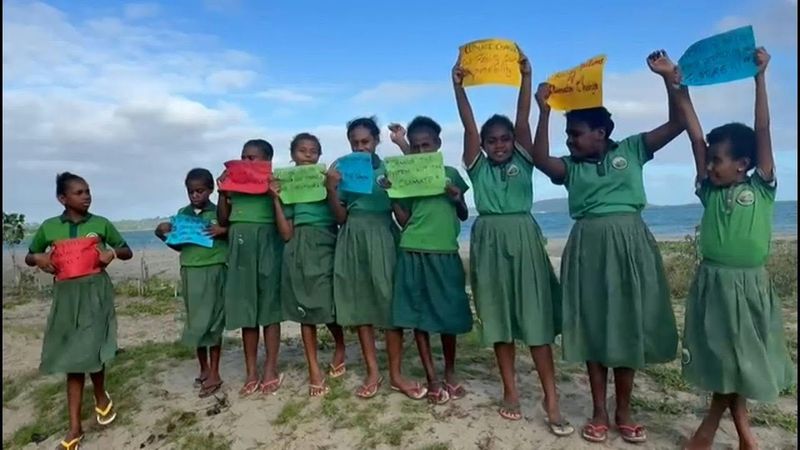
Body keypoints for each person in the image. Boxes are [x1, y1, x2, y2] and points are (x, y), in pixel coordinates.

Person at [530, 50, 685, 444]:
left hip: (631, 247)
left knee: (627, 325)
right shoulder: (571, 168)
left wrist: (669, 78)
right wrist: (544, 112)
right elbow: (540, 158)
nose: (571, 140)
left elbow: (679, 122)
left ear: (600, 132)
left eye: (575, 133)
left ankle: (624, 410)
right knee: (596, 329)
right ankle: (599, 411)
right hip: (588, 250)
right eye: (569, 135)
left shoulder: (632, 149)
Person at [677, 47, 795, 450]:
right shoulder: (710, 192)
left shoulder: (760, 187)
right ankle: (740, 433)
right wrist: (678, 87)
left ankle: (716, 428)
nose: (709, 166)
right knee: (724, 360)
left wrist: (760, 78)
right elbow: (695, 135)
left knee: (741, 360)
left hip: (750, 287)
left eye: (717, 160)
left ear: (743, 163)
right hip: (713, 283)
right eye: (709, 161)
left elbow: (763, 131)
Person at [452, 48, 572, 436]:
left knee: (535, 319)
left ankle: (551, 396)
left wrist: (526, 77)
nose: (499, 144)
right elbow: (469, 126)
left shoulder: (522, 154)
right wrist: (458, 88)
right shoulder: (478, 163)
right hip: (488, 240)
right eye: (492, 140)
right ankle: (510, 390)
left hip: (522, 236)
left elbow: (523, 119)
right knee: (499, 317)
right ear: (484, 145)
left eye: (504, 139)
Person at [26, 172, 133, 450]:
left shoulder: (100, 224)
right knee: (73, 357)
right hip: (66, 295)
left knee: (92, 348)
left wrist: (112, 253)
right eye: (78, 192)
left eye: (87, 191)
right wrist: (38, 258)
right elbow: (30, 254)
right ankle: (75, 427)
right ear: (62, 198)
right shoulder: (49, 228)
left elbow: (125, 249)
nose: (86, 196)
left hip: (96, 292)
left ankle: (99, 396)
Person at [326, 117, 427, 400]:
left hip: (383, 234)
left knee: (388, 305)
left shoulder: (388, 168)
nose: (360, 147)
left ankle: (396, 374)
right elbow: (340, 216)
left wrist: (402, 149)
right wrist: (330, 189)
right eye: (355, 142)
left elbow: (418, 178)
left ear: (375, 141)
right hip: (353, 236)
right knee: (361, 307)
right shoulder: (341, 171)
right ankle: (373, 371)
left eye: (365, 141)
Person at [387, 116, 472, 404]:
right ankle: (432, 378)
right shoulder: (406, 179)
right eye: (417, 146)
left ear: (438, 144)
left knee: (449, 316)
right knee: (419, 316)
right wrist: (392, 194)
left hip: (445, 252)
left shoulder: (450, 174)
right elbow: (404, 220)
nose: (422, 150)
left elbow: (463, 214)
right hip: (412, 249)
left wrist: (457, 197)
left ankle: (450, 372)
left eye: (427, 145)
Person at [274, 133, 347, 397]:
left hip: (325, 241)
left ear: (319, 155)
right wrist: (275, 198)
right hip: (297, 245)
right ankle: (313, 369)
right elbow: (285, 233)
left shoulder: (326, 178)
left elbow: (339, 215)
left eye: (313, 151)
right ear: (292, 154)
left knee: (327, 304)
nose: (308, 155)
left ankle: (340, 345)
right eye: (302, 150)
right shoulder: (287, 185)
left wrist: (331, 187)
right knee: (304, 307)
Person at [217, 139, 284, 396]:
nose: (246, 162)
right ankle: (251, 372)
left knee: (269, 308)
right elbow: (223, 219)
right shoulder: (233, 183)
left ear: (267, 161)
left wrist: (273, 192)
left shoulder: (275, 181)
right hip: (240, 245)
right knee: (247, 310)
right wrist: (222, 192)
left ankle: (270, 368)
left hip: (268, 242)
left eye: (252, 158)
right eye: (243, 157)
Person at [155, 168, 228, 398]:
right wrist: (163, 235)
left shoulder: (220, 213)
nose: (195, 195)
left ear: (210, 190)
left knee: (215, 320)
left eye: (200, 191)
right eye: (191, 191)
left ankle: (215, 371)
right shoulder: (182, 215)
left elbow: (232, 232)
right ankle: (204, 367)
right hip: (191, 269)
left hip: (216, 267)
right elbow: (179, 244)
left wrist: (222, 230)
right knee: (196, 320)